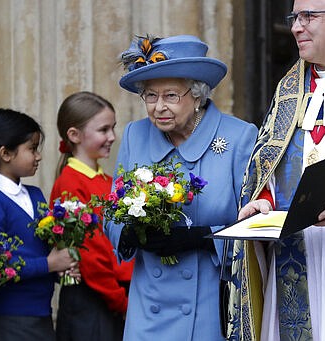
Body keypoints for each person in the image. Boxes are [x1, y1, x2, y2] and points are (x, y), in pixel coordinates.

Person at [104, 35, 258, 340]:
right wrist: (131, 232)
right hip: (149, 306)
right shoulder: (135, 135)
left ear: (198, 94)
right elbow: (112, 215)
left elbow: (255, 228)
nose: (159, 107)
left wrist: (202, 238)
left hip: (210, 304)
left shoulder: (239, 137)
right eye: (150, 95)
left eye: (171, 95)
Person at [227, 1, 325, 340]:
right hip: (293, 256)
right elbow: (271, 162)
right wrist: (264, 202)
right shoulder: (289, 88)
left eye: (308, 17)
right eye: (294, 17)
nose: (295, 27)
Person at [0, 108, 79, 341]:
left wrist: (62, 266)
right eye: (32, 148)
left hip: (40, 313)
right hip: (7, 318)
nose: (38, 156)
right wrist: (49, 264)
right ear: (5, 153)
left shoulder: (35, 194)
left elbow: (40, 248)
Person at [50, 91, 134, 341]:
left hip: (111, 296)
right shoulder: (70, 183)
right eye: (103, 130)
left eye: (113, 128)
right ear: (74, 135)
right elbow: (91, 254)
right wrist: (122, 302)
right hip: (93, 301)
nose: (112, 137)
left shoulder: (107, 181)